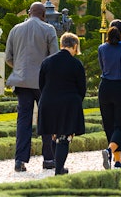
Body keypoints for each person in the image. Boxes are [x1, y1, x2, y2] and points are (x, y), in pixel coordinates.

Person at [5, 1, 58, 172]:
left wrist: (20, 69)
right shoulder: (48, 29)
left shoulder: (15, 29)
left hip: (21, 81)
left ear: (29, 13)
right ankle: (49, 159)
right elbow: (54, 57)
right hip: (43, 82)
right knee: (47, 119)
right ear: (43, 15)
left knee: (23, 121)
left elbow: (8, 57)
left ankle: (20, 160)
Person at [37, 33, 86, 175]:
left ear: (61, 44)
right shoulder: (76, 64)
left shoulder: (47, 61)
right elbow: (81, 88)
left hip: (48, 102)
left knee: (54, 134)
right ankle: (59, 169)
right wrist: (76, 102)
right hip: (68, 103)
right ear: (75, 46)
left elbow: (41, 84)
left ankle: (58, 167)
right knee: (64, 137)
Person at [97, 23, 121, 169]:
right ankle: (110, 151)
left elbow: (102, 67)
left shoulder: (102, 48)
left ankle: (118, 160)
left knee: (109, 126)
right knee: (120, 126)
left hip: (105, 87)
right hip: (120, 87)